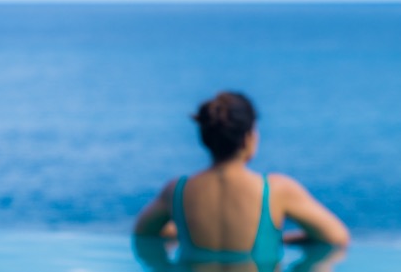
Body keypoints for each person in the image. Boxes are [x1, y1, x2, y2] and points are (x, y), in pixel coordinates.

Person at [134, 91, 349, 257]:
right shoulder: (276, 190)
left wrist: (186, 230)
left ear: (205, 138)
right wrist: (275, 239)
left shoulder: (177, 192)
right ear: (248, 138)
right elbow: (336, 238)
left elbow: (143, 233)